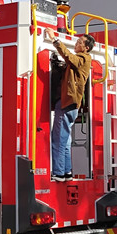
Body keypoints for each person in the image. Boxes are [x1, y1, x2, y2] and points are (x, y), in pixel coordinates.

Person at [45, 27, 95, 182]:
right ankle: (66, 172)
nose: (76, 43)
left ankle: (59, 173)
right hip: (71, 105)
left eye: (80, 42)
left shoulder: (84, 59)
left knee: (58, 140)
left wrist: (54, 39)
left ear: (86, 48)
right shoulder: (82, 60)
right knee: (65, 141)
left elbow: (68, 57)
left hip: (67, 104)